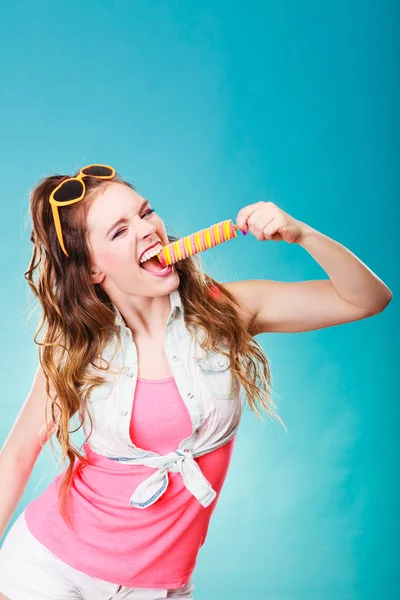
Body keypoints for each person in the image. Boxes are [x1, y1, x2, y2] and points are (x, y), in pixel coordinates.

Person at [0, 164, 391, 600]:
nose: (148, 231)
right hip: (47, 570)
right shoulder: (75, 344)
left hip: (161, 585)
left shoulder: (227, 312)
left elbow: (368, 300)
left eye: (146, 213)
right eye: (119, 231)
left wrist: (303, 235)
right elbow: (18, 454)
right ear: (92, 270)